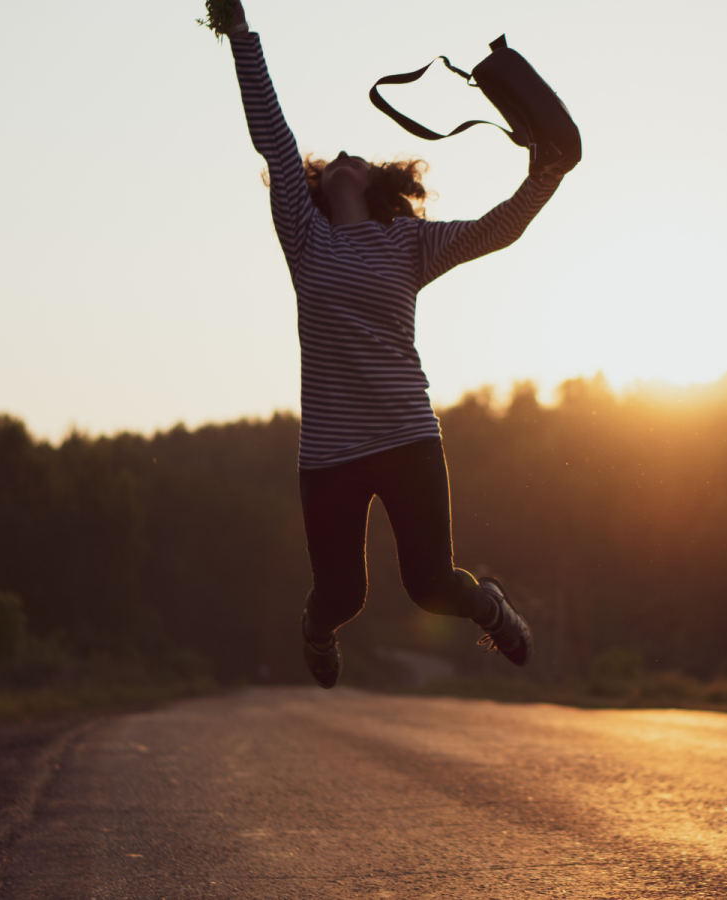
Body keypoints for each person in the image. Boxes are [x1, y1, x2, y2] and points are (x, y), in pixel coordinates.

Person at [213, 1, 570, 688]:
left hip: (407, 434)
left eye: (359, 155)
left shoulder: (408, 244)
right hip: (330, 451)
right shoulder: (305, 236)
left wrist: (545, 175)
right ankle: (317, 629)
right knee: (343, 596)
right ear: (317, 185)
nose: (345, 154)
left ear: (375, 182)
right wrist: (237, 32)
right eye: (333, 157)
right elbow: (273, 136)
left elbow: (496, 229)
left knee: (432, 586)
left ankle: (491, 609)